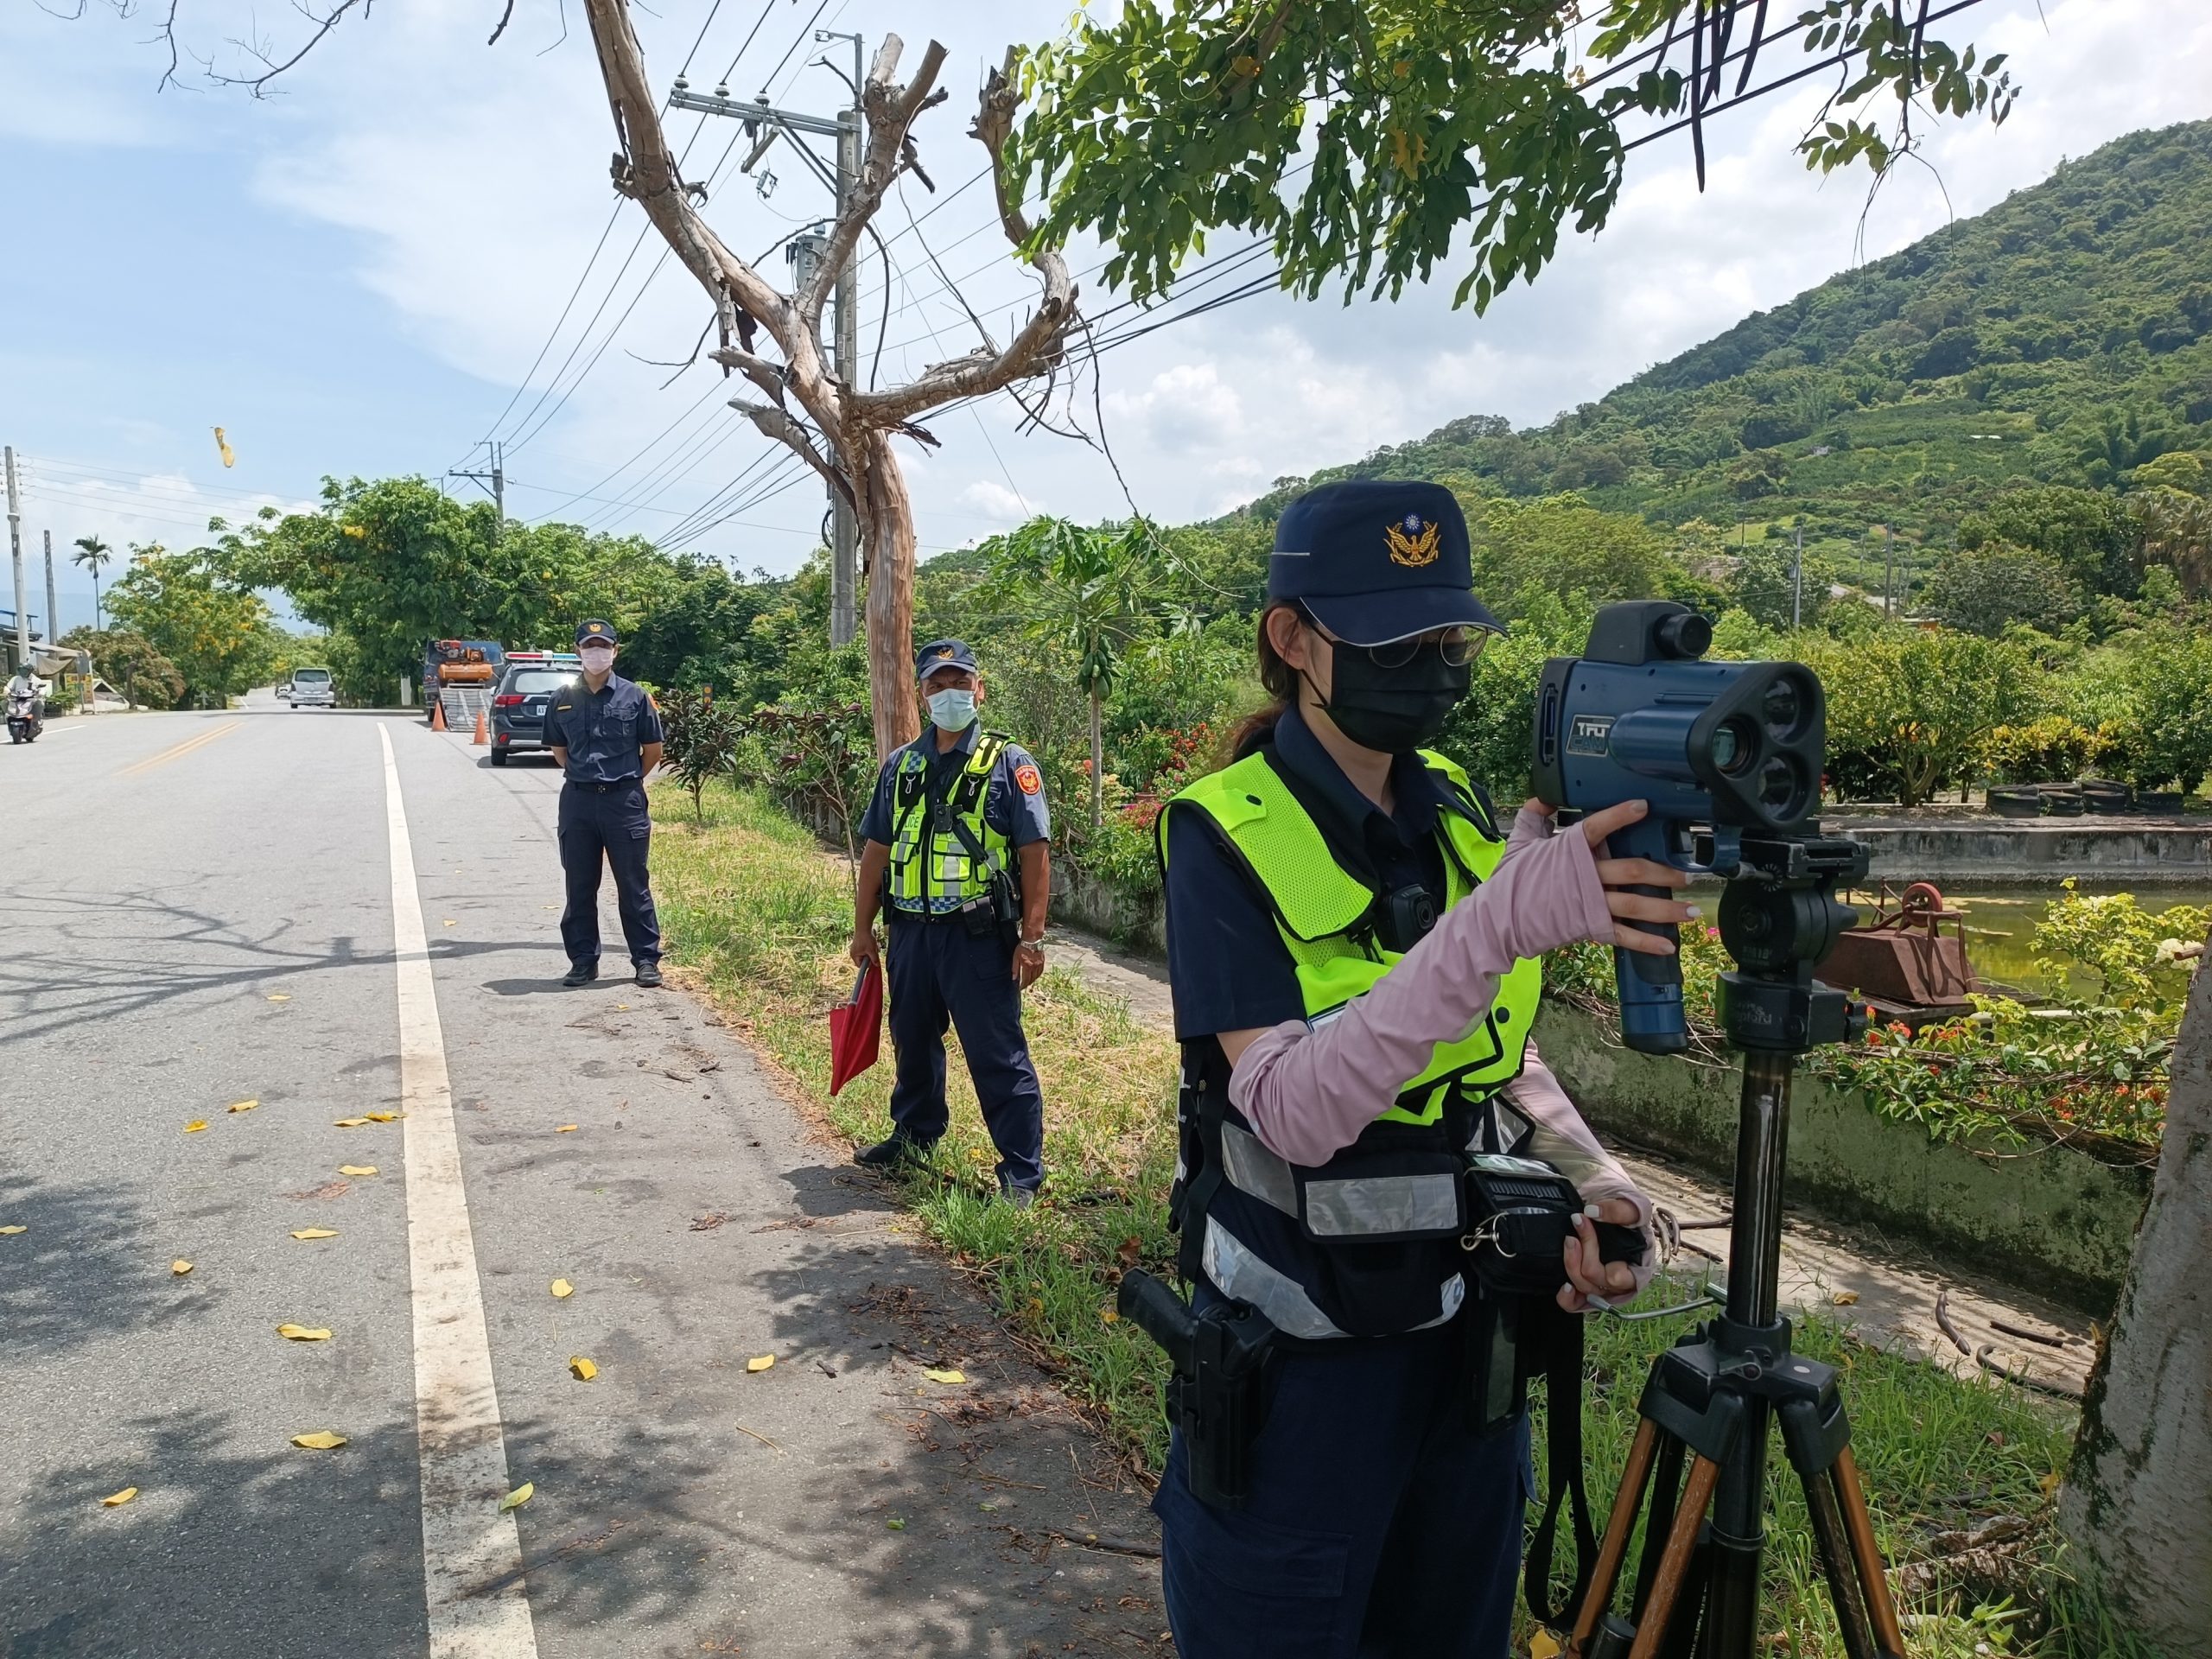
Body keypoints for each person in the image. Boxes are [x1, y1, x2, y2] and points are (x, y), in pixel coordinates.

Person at [1150, 480, 1695, 1659]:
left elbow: (1500, 1053)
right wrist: (1495, 923)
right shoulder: (1219, 831)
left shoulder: (1448, 802)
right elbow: (1293, 1111)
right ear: (1294, 641)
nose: (1435, 666)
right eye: (1395, 640)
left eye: (1450, 639)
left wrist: (1596, 1175)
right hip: (1304, 1381)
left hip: (1467, 1355)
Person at [848, 639, 1052, 1205]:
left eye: (960, 683)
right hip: (910, 932)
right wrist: (863, 927)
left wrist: (1032, 939)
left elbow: (1036, 855)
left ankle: (1021, 1174)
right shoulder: (901, 766)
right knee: (912, 1040)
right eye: (938, 685)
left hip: (978, 937)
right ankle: (914, 1135)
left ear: (979, 689)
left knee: (996, 1053)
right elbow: (876, 850)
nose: (950, 694)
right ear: (922, 695)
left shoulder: (1010, 764)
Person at [545, 620, 665, 989]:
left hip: (623, 802)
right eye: (589, 646)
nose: (596, 653)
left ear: (615, 651)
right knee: (580, 885)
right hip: (578, 802)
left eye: (603, 646)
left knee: (633, 884)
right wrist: (589, 777)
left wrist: (624, 780)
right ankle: (583, 961)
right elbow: (559, 752)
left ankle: (646, 960)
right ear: (578, 651)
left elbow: (653, 751)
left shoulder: (635, 696)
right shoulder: (562, 698)